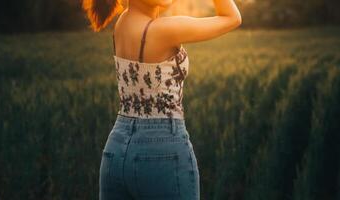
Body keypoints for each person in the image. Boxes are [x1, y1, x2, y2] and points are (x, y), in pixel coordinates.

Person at [82, 0, 241, 199]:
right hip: (161, 149)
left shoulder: (123, 22)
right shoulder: (163, 30)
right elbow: (232, 18)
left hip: (117, 147)